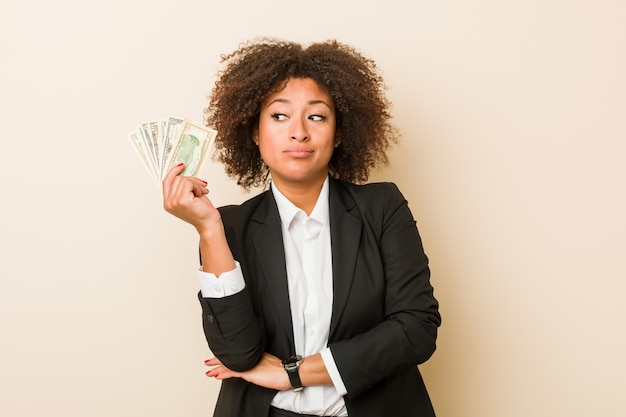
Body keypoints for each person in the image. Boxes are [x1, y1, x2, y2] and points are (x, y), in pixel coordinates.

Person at [162, 37, 441, 417]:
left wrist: (292, 373)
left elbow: (416, 329)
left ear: (339, 132)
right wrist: (209, 229)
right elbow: (238, 353)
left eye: (316, 116)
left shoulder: (382, 206)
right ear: (255, 133)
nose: (299, 132)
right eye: (279, 116)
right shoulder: (231, 225)